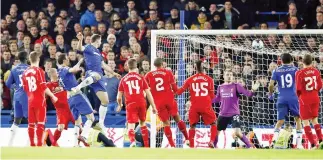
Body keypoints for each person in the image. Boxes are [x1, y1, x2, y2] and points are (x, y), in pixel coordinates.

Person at [72, 33, 120, 130]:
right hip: (91, 73)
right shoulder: (89, 47)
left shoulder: (98, 52)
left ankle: (101, 123)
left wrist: (114, 73)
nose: (101, 42)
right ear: (98, 40)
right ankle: (78, 87)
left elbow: (104, 65)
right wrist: (80, 39)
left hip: (99, 78)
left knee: (105, 101)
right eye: (100, 41)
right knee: (97, 75)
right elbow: (80, 48)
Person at [144, 58, 188, 147]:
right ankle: (187, 138)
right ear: (162, 64)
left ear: (154, 65)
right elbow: (175, 90)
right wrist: (183, 88)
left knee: (166, 124)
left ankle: (172, 145)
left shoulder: (148, 75)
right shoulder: (168, 73)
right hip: (169, 100)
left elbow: (144, 89)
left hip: (158, 103)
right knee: (177, 119)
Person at [212, 70, 260, 148]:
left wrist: (253, 90)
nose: (229, 76)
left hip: (234, 113)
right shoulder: (220, 87)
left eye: (230, 75)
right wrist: (206, 100)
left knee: (237, 133)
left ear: (233, 77)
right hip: (223, 114)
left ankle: (250, 146)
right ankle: (214, 146)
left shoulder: (236, 86)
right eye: (227, 74)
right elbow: (217, 99)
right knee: (216, 132)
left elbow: (248, 94)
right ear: (223, 76)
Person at [116, 59, 157, 147]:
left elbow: (119, 97)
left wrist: (120, 105)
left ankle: (132, 142)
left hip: (130, 104)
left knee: (131, 125)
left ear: (127, 66)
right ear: (136, 66)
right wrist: (153, 106)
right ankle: (146, 145)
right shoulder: (141, 77)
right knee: (142, 123)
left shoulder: (123, 79)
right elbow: (148, 93)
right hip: (142, 103)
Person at [176, 60, 217, 148]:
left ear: (195, 69)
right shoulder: (209, 79)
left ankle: (191, 146)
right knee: (214, 124)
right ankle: (211, 141)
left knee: (192, 126)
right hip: (206, 106)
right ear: (204, 69)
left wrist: (172, 89)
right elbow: (212, 96)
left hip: (194, 106)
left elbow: (179, 92)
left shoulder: (189, 79)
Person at [57, 54, 94, 147]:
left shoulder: (59, 71)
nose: (69, 59)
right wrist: (80, 64)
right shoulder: (65, 69)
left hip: (69, 98)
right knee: (91, 118)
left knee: (78, 122)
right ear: (64, 60)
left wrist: (80, 61)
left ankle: (75, 144)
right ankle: (84, 136)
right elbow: (73, 69)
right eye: (67, 58)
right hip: (77, 95)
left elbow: (72, 69)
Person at [22, 51, 58, 146]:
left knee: (31, 124)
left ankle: (32, 144)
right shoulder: (39, 71)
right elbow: (43, 87)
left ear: (29, 60)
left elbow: (25, 88)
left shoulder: (25, 73)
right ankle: (39, 143)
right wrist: (53, 96)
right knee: (40, 123)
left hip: (30, 100)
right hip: (39, 100)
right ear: (38, 59)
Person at [268, 53, 303, 149]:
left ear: (281, 61)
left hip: (281, 98)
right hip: (293, 97)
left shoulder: (276, 70)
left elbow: (271, 85)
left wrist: (270, 94)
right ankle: (299, 144)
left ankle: (273, 141)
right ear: (292, 60)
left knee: (280, 120)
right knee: (298, 119)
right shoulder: (296, 70)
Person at [296, 54, 323, 149]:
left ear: (302, 62)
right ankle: (321, 141)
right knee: (315, 120)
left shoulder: (299, 73)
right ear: (311, 62)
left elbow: (298, 89)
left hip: (304, 99)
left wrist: (300, 97)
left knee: (305, 122)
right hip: (315, 97)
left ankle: (312, 144)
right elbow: (320, 85)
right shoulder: (316, 71)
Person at [46, 68, 75, 146]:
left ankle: (83, 144)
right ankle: (53, 143)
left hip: (70, 107)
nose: (58, 73)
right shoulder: (48, 85)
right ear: (52, 74)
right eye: (56, 72)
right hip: (60, 110)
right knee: (60, 128)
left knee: (79, 126)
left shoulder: (62, 81)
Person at [6, 51, 29, 146]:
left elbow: (7, 84)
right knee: (31, 120)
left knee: (16, 120)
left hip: (17, 95)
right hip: (28, 96)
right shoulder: (30, 69)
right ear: (27, 58)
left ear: (18, 59)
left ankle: (9, 143)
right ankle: (29, 144)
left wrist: (16, 87)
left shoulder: (14, 69)